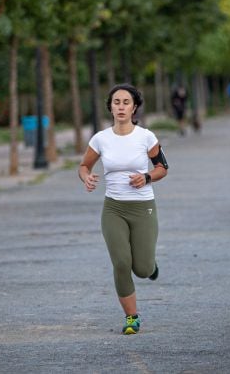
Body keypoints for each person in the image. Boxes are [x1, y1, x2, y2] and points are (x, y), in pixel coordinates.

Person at [78, 83, 168, 335]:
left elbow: (163, 167)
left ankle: (151, 267)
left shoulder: (146, 137)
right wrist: (86, 177)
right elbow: (84, 166)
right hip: (113, 208)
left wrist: (147, 177)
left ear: (134, 107)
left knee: (141, 268)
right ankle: (132, 317)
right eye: (116, 102)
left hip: (143, 208)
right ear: (110, 107)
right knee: (120, 262)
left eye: (125, 102)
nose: (120, 107)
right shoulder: (100, 139)